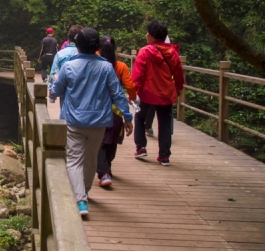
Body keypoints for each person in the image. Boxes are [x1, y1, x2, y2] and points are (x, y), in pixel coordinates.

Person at [52, 28, 133, 216]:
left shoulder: (69, 67)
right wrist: (127, 117)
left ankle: (80, 200)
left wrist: (54, 86)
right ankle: (84, 193)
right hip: (99, 122)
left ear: (77, 47)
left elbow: (56, 90)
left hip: (74, 121)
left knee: (73, 160)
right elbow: (118, 93)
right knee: (91, 159)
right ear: (97, 47)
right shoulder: (106, 68)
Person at [131, 20, 184, 166]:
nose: (146, 35)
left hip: (147, 92)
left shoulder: (145, 51)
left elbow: (137, 74)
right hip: (166, 93)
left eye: (148, 32)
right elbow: (178, 73)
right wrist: (179, 88)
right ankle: (164, 155)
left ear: (152, 36)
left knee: (140, 118)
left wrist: (134, 91)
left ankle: (141, 147)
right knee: (165, 123)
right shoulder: (172, 52)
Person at [96, 36, 137, 188]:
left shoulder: (95, 64)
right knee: (111, 141)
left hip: (97, 109)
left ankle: (104, 171)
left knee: (99, 142)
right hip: (116, 111)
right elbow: (130, 86)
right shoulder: (120, 66)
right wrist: (131, 99)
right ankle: (106, 170)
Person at [47, 24, 83, 100]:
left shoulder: (60, 54)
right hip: (82, 92)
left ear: (69, 38)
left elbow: (54, 72)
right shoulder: (86, 54)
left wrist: (51, 90)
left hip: (65, 92)